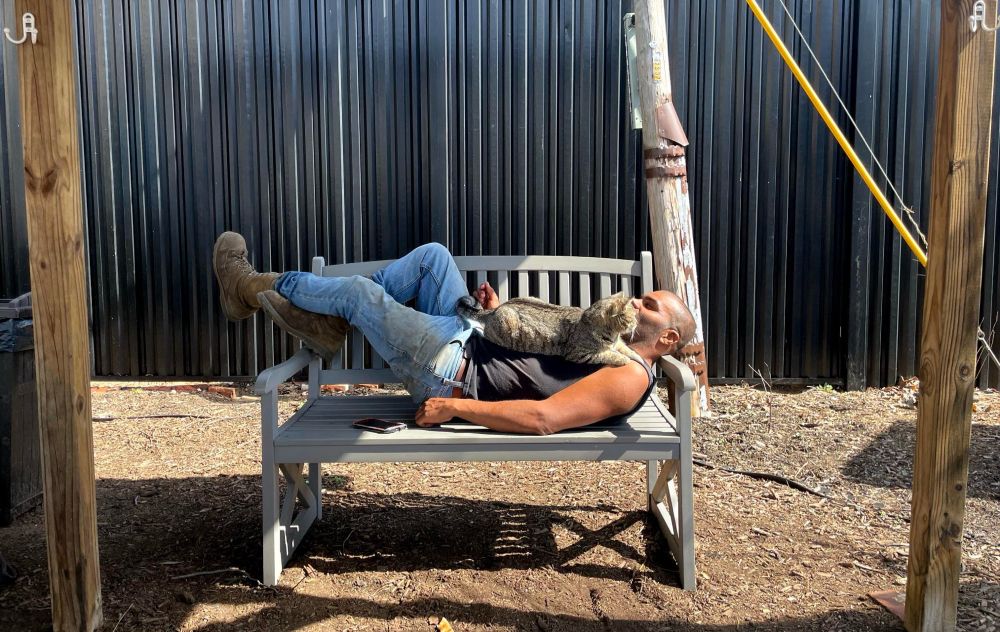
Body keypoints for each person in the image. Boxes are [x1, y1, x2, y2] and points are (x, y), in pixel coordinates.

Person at [213, 232, 695, 435]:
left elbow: (546, 417)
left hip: (449, 372)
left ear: (667, 340)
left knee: (360, 293)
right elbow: (548, 347)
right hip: (469, 336)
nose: (634, 302)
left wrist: (455, 407)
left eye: (648, 306)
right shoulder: (608, 341)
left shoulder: (630, 373)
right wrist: (496, 316)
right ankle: (331, 322)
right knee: (433, 258)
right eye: (641, 296)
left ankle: (250, 286)